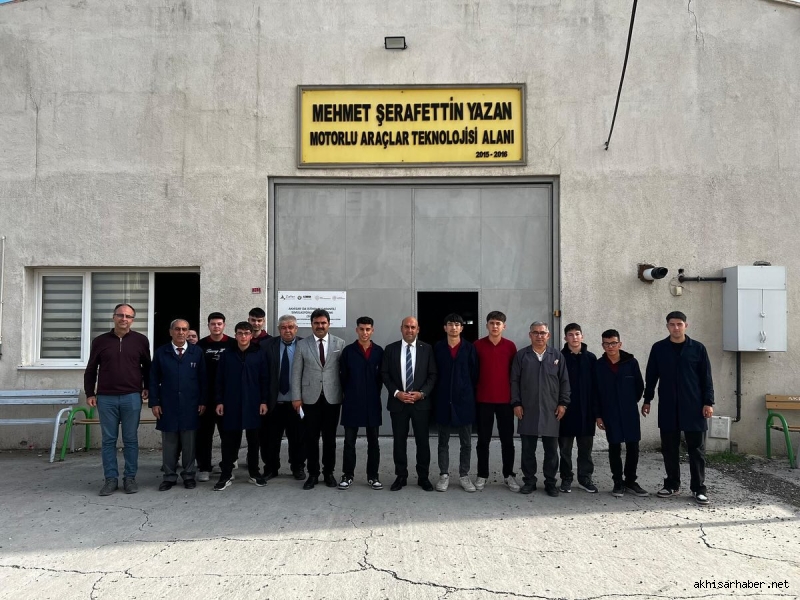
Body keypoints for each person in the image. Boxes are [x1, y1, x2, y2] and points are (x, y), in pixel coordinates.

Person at [643, 311, 714, 506]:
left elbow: (706, 378)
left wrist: (708, 402)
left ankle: (698, 488)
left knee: (696, 450)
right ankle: (672, 484)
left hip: (694, 406)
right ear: (667, 326)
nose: (676, 327)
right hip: (668, 405)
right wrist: (647, 399)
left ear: (686, 326)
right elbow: (651, 376)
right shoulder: (659, 348)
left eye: (679, 324)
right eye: (672, 324)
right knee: (669, 448)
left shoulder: (697, 348)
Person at [84, 303, 151, 496]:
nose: (124, 319)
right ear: (113, 317)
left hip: (132, 397)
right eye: (120, 315)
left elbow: (148, 367)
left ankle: (130, 478)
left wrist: (147, 387)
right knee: (108, 440)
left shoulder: (140, 340)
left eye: (128, 316)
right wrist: (90, 393)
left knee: (130, 440)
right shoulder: (100, 341)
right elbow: (91, 369)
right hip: (106, 398)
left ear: (133, 320)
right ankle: (110, 479)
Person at [511, 321, 570, 497]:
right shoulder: (522, 356)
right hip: (527, 409)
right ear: (530, 335)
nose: (539, 336)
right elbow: (514, 381)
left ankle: (550, 483)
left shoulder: (557, 356)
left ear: (548, 335)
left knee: (551, 450)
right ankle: (529, 481)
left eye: (542, 333)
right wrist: (516, 403)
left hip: (551, 410)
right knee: (528, 449)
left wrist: (563, 403)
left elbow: (564, 381)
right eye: (535, 333)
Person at [148, 319, 207, 491]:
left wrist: (203, 401)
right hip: (168, 405)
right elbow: (153, 379)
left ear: (188, 332)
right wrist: (154, 402)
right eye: (177, 329)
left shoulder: (196, 352)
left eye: (184, 329)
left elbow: (203, 379)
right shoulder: (161, 352)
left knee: (189, 444)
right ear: (171, 331)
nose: (181, 332)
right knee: (169, 444)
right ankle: (169, 477)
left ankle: (189, 476)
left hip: (191, 404)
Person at [381, 316, 438, 492]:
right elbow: (384, 373)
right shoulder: (390, 349)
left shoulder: (427, 349)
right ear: (401, 328)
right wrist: (396, 393)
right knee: (399, 441)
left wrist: (422, 393)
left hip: (420, 404)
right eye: (406, 327)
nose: (410, 330)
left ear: (418, 329)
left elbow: (433, 374)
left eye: (413, 327)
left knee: (423, 442)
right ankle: (401, 476)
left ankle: (423, 477)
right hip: (398, 403)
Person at [291, 309, 345, 490]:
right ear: (311, 324)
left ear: (329, 324)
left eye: (323, 323)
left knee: (330, 439)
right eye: (316, 323)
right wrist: (296, 397)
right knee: (311, 438)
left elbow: (343, 372)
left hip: (332, 398)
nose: (320, 326)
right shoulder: (302, 345)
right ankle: (313, 474)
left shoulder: (340, 343)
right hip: (309, 399)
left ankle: (328, 473)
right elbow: (296, 373)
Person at [214, 321, 269, 491]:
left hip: (253, 403)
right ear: (235, 335)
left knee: (254, 440)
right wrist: (219, 401)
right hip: (231, 402)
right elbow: (219, 379)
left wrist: (264, 401)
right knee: (229, 441)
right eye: (240, 333)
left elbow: (264, 379)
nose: (243, 336)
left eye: (246, 333)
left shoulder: (259, 354)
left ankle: (254, 472)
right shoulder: (227, 354)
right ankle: (226, 474)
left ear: (251, 335)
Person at [594, 329, 648, 497]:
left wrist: (629, 401)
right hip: (609, 412)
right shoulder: (599, 365)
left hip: (629, 410)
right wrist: (598, 415)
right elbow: (595, 392)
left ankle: (630, 481)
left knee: (633, 446)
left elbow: (639, 386)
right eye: (606, 344)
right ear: (602, 345)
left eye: (613, 343)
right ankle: (618, 482)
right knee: (614, 446)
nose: (610, 347)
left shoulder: (631, 362)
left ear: (620, 344)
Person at [474, 311, 519, 492]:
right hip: (483, 400)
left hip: (505, 401)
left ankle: (509, 475)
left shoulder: (510, 346)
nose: (495, 326)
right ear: (487, 325)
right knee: (483, 440)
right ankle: (482, 475)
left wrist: (516, 400)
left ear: (504, 326)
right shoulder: (477, 345)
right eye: (492, 323)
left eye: (498, 323)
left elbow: (515, 375)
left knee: (507, 440)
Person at [433, 313, 479, 492]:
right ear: (445, 327)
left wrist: (465, 389)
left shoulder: (469, 348)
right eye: (450, 324)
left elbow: (474, 373)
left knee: (466, 442)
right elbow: (433, 372)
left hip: (464, 400)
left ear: (462, 328)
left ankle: (464, 475)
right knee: (442, 441)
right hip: (443, 399)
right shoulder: (438, 348)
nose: (453, 327)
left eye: (457, 325)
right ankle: (443, 475)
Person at [338, 316, 385, 490]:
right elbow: (343, 377)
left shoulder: (379, 352)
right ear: (356, 330)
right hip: (352, 402)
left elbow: (381, 378)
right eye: (361, 329)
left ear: (372, 330)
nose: (365, 332)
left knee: (374, 442)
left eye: (368, 329)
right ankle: (347, 475)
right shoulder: (348, 352)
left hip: (372, 402)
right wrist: (352, 392)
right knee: (349, 441)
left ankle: (373, 476)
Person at [260, 314, 306, 481]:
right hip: (274, 402)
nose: (287, 330)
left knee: (298, 438)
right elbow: (262, 375)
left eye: (291, 327)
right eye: (284, 327)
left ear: (296, 328)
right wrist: (263, 400)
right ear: (279, 329)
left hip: (297, 402)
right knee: (270, 438)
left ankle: (298, 467)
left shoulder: (304, 345)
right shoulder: (266, 346)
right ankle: (271, 468)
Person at [558, 323, 598, 493]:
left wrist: (596, 411)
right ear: (565, 337)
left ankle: (585, 478)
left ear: (582, 336)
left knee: (585, 449)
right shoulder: (559, 357)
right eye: (570, 334)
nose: (574, 337)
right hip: (565, 411)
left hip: (586, 411)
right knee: (565, 449)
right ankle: (566, 478)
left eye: (577, 334)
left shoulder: (591, 358)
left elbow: (596, 387)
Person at [196, 312, 236, 482]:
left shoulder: (233, 344)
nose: (216, 326)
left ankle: (228, 465)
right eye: (213, 324)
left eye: (219, 324)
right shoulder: (201, 345)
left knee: (228, 435)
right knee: (204, 435)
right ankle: (204, 467)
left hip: (227, 398)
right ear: (208, 325)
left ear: (224, 325)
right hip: (206, 398)